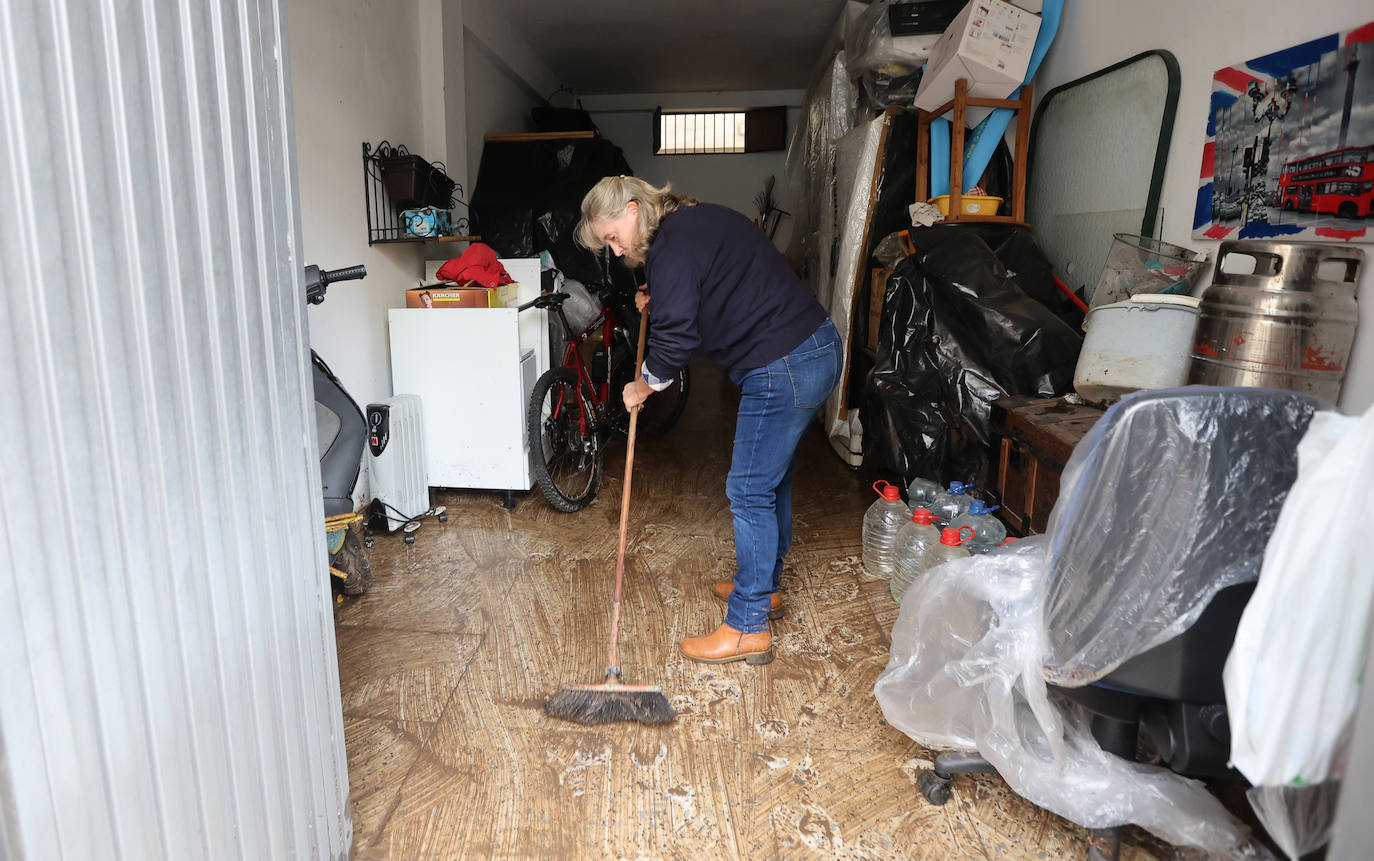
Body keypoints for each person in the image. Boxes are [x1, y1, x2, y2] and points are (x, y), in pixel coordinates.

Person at [577, 176, 841, 666]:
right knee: (771, 478)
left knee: (748, 489)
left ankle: (747, 627)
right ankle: (764, 590)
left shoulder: (671, 249)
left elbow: (676, 340)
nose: (614, 252)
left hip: (783, 363)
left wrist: (645, 384)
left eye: (613, 237)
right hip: (811, 348)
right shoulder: (690, 224)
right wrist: (662, 298)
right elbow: (704, 288)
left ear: (634, 210)